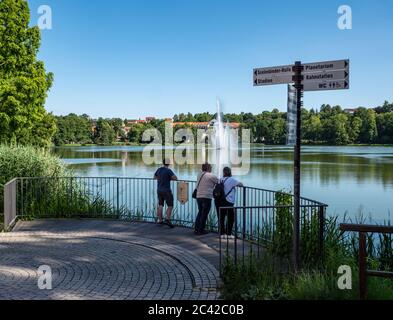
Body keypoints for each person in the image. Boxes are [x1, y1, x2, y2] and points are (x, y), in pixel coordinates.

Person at [215, 167, 243, 239]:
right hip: (228, 201)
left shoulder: (220, 179)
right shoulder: (232, 180)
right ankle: (228, 234)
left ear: (224, 172)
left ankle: (221, 234)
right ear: (230, 172)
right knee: (231, 218)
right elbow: (241, 184)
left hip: (218, 201)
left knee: (221, 217)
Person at [194, 163, 219, 236]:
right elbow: (219, 181)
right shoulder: (211, 175)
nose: (211, 168)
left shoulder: (199, 174)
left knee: (200, 212)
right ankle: (201, 230)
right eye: (211, 167)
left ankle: (196, 228)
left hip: (199, 196)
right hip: (206, 197)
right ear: (208, 168)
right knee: (204, 213)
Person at [154, 159, 178, 228]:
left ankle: (160, 220)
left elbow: (154, 177)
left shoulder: (159, 169)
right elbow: (175, 178)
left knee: (160, 205)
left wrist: (161, 179)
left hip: (159, 190)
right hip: (166, 190)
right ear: (169, 164)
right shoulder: (168, 171)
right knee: (170, 205)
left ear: (163, 163)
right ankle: (167, 219)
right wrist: (169, 178)